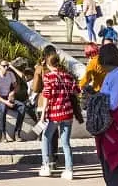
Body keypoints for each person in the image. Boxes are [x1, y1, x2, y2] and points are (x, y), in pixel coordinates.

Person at [93, 43, 118, 186]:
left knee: (113, 163)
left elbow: (113, 103)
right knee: (106, 165)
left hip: (112, 123)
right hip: (106, 122)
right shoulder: (111, 74)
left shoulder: (117, 75)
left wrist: (97, 100)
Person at [38, 50, 79, 180]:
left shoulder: (48, 77)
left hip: (55, 113)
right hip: (68, 113)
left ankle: (46, 166)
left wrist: (43, 113)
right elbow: (77, 91)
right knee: (66, 142)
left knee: (46, 137)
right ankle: (69, 169)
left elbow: (46, 96)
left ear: (49, 64)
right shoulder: (68, 76)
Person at [0, 58, 26, 142]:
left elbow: (17, 86)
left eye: (7, 66)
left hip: (7, 97)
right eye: (4, 66)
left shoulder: (10, 74)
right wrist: (5, 102)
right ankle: (2, 134)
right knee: (3, 108)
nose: (6, 68)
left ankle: (17, 133)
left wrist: (12, 92)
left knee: (22, 106)